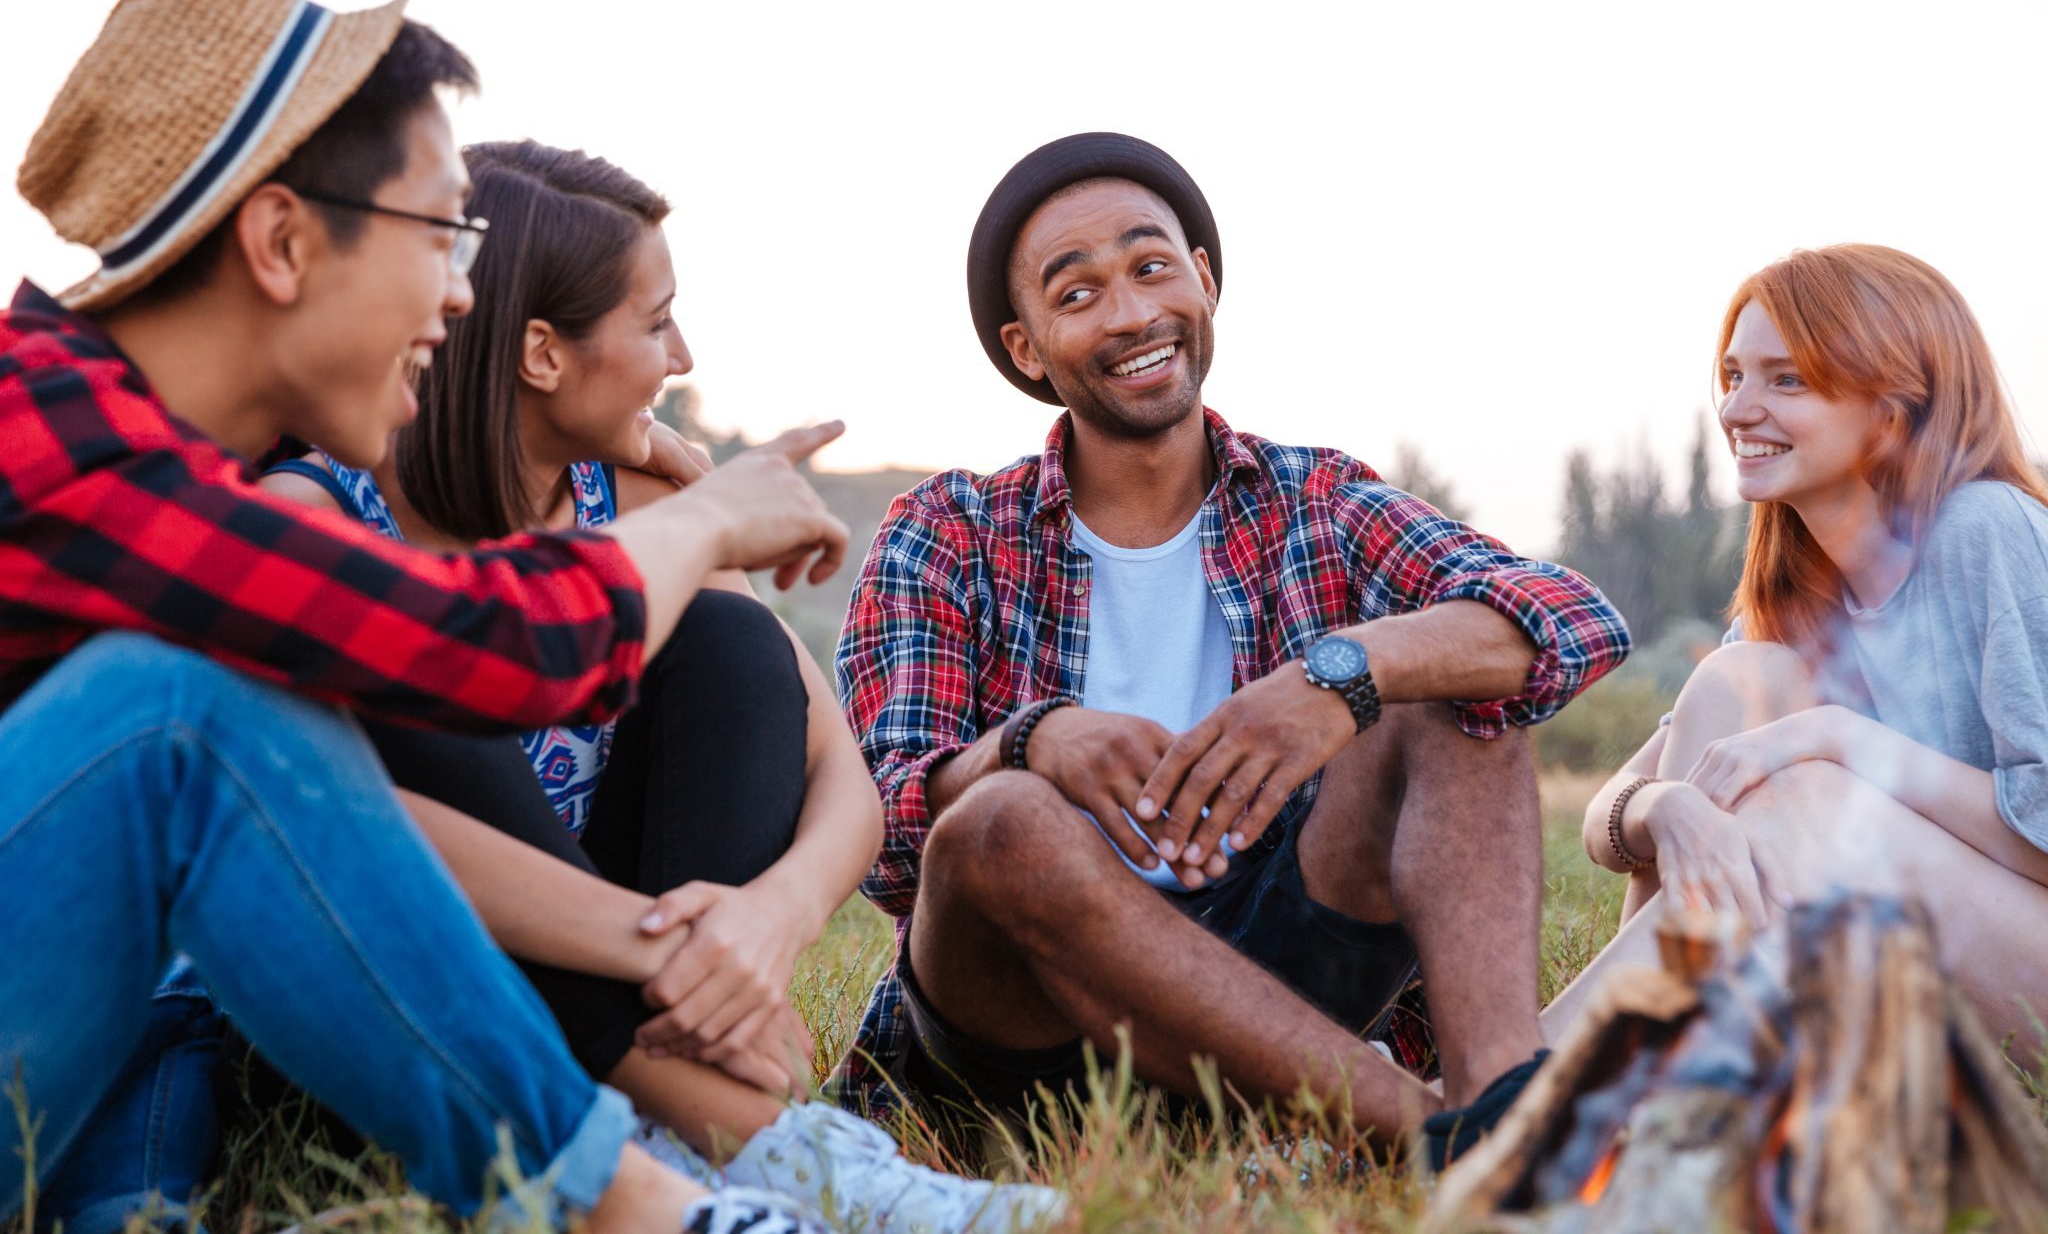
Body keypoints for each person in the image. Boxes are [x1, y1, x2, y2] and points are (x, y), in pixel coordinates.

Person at [1, 0, 854, 1234]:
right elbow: (489, 647)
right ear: (283, 242)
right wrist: (714, 514)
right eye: (439, 231)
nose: (458, 291)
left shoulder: (126, 455)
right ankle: (663, 1201)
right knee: (186, 713)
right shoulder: (58, 449)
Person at [256, 138, 1061, 1231]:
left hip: (635, 1004)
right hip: (393, 1025)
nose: (679, 355)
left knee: (734, 651)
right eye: (653, 320)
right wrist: (673, 947)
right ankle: (766, 1147)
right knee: (442, 666)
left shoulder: (635, 496)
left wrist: (765, 923)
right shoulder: (316, 519)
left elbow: (842, 781)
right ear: (541, 352)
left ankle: (684, 1142)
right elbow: (353, 842)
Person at [830, 132, 1632, 1167]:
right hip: (1027, 1034)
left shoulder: (1314, 499)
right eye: (1075, 295)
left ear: (1203, 282)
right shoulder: (946, 532)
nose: (1129, 313)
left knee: (1449, 677)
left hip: (1276, 983)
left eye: (1151, 267)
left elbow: (1567, 622)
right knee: (1000, 820)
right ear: (1027, 346)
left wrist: (1335, 677)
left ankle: (1500, 1094)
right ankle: (1441, 1136)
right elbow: (883, 841)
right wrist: (1027, 746)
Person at [1555, 244, 2048, 1056]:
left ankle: (1525, 1083)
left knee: (1808, 790)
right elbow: (1619, 815)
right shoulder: (1796, 596)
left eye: (1787, 379)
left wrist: (1843, 741)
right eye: (1733, 374)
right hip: (1900, 971)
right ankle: (1635, 1074)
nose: (1738, 409)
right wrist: (1665, 808)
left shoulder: (1988, 531)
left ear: (1893, 408)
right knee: (1737, 682)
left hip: (2023, 967)